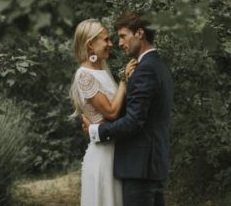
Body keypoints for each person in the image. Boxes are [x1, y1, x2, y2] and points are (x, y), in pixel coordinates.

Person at [85, 12, 173, 206]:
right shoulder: (158, 66)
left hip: (139, 168)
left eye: (123, 36)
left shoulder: (145, 70)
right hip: (152, 165)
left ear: (140, 33)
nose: (119, 43)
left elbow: (134, 121)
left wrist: (97, 131)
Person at [70, 19, 137, 206]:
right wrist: (124, 79)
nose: (110, 44)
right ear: (90, 44)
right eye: (106, 40)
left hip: (115, 152)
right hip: (103, 156)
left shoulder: (101, 70)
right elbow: (112, 112)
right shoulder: (84, 75)